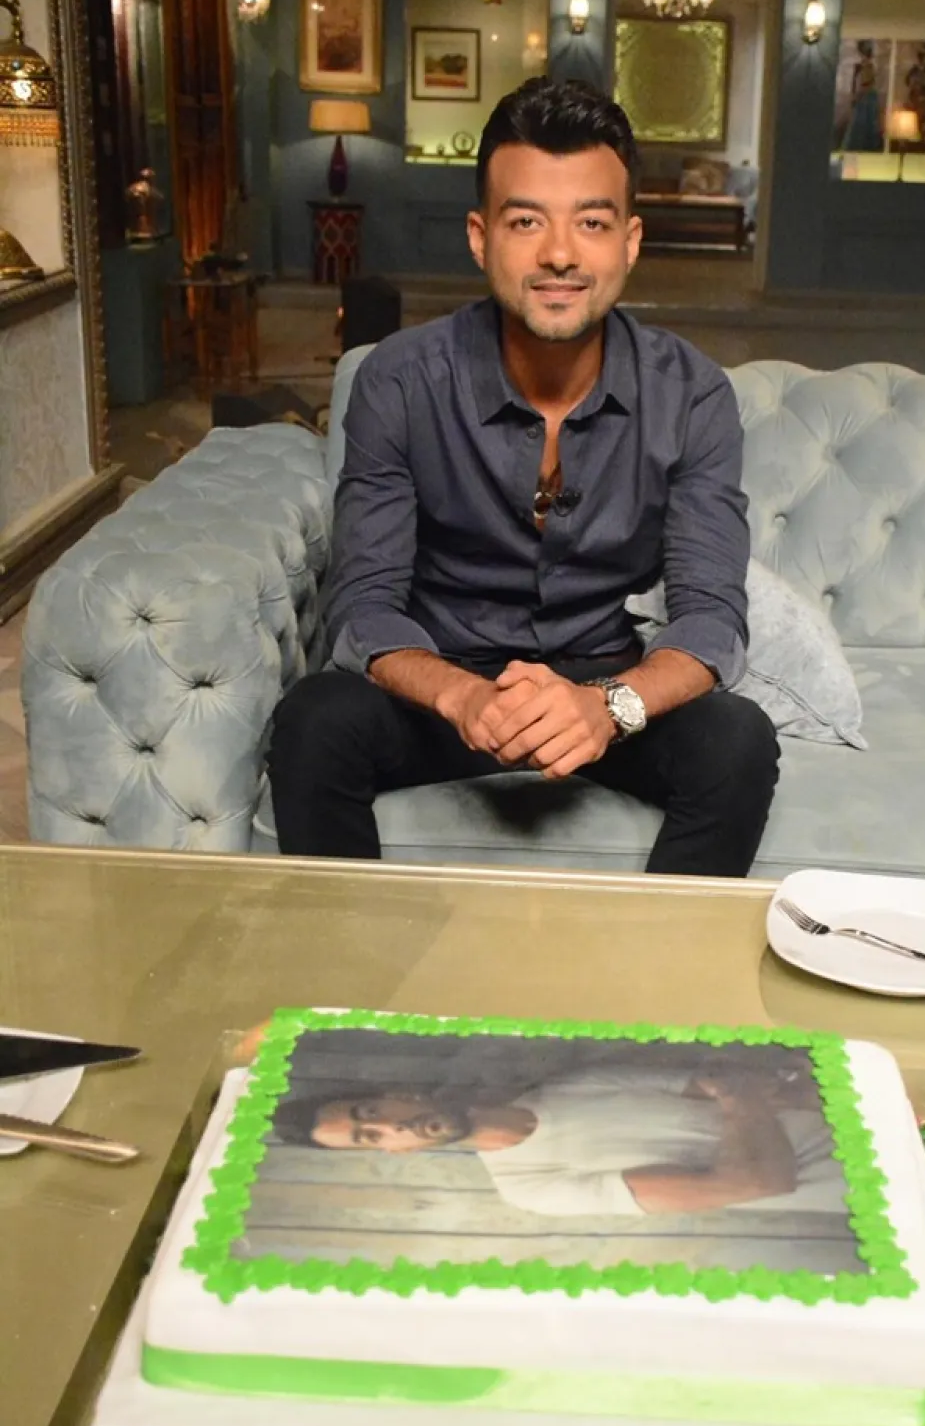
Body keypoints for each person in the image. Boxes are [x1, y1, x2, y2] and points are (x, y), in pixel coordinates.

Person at [266, 77, 779, 877]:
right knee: (314, 722)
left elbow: (712, 618)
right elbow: (363, 606)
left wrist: (608, 708)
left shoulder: (693, 394)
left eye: (592, 223)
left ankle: (650, 961)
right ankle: (354, 962)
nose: (560, 254)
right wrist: (463, 696)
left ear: (630, 242)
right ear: (481, 237)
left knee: (738, 742)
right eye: (526, 221)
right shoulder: (399, 380)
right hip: (444, 687)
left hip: (601, 689)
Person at [271, 1063, 851, 1221]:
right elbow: (761, 1180)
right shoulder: (531, 1188)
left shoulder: (580, 1083)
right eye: (369, 1138)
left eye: (372, 1113)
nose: (391, 1129)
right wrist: (739, 1101)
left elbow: (774, 1088)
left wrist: (744, 1101)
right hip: (863, 1183)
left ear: (398, 1093)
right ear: (393, 1153)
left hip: (857, 1110)